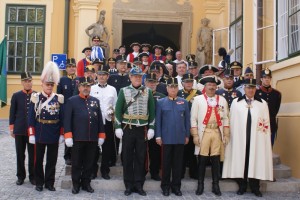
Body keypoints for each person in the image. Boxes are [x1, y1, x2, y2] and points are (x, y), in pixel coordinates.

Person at [222, 79, 273, 197]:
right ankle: (242, 185)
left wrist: (263, 137)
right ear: (244, 89)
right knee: (242, 160)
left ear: (255, 89)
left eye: (253, 88)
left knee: (255, 159)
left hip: (257, 138)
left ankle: (255, 187)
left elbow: (265, 122)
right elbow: (232, 120)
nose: (251, 90)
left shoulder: (262, 103)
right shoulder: (236, 102)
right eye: (248, 88)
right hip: (240, 137)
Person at [114, 66, 155, 196]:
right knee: (127, 157)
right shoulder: (123, 91)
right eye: (135, 76)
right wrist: (118, 127)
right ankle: (128, 185)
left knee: (140, 157)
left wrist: (151, 128)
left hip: (142, 129)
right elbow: (118, 111)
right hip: (128, 128)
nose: (137, 78)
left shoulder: (148, 91)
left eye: (139, 76)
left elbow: (152, 112)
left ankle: (139, 184)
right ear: (130, 77)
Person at [64, 76, 105, 194]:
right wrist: (68, 136)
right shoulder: (72, 101)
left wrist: (101, 135)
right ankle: (76, 184)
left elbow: (99, 120)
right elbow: (67, 120)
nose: (86, 88)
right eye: (84, 86)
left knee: (89, 163)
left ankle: (86, 183)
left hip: (92, 138)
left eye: (88, 86)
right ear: (79, 87)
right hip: (77, 138)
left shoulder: (95, 101)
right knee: (76, 163)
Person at [28, 61, 64, 192]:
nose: (49, 87)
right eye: (47, 84)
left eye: (51, 84)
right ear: (42, 84)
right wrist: (31, 134)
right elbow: (31, 117)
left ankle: (50, 183)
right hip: (40, 132)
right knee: (38, 160)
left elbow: (62, 118)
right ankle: (39, 182)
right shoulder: (36, 98)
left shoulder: (59, 98)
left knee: (52, 161)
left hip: (54, 132)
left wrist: (61, 134)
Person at [190, 75, 230, 196]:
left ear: (216, 86)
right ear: (205, 87)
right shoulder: (198, 99)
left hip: (217, 132)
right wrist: (195, 135)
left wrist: (226, 134)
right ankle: (200, 184)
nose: (212, 87)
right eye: (209, 85)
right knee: (202, 160)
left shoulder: (222, 100)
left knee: (216, 160)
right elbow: (193, 119)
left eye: (213, 85)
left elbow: (226, 117)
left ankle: (215, 185)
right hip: (204, 132)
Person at [156, 77, 190, 196]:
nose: (173, 89)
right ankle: (165, 186)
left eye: (175, 87)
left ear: (178, 88)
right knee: (166, 164)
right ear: (167, 88)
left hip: (180, 138)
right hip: (166, 138)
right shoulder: (160, 102)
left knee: (178, 164)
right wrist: (158, 136)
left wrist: (187, 135)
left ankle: (176, 186)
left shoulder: (184, 102)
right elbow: (158, 121)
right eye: (171, 86)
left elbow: (187, 120)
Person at [90, 65, 117, 180]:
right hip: (95, 121)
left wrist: (113, 112)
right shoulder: (91, 88)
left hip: (107, 121)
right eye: (100, 74)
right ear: (97, 76)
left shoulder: (112, 89)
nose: (101, 77)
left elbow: (115, 104)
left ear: (107, 76)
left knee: (107, 147)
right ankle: (92, 170)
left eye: (104, 75)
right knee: (93, 147)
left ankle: (105, 170)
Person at [9, 72, 35, 186]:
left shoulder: (36, 95)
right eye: (25, 81)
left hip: (32, 131)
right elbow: (12, 113)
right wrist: (12, 128)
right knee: (20, 154)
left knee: (32, 155)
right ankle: (20, 176)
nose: (28, 83)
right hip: (19, 129)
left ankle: (33, 176)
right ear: (22, 82)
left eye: (29, 81)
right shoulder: (16, 95)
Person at [177, 73, 201, 179]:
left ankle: (194, 172)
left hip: (194, 125)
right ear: (182, 83)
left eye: (191, 82)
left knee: (193, 150)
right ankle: (180, 172)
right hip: (182, 124)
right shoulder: (178, 93)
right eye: (186, 82)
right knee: (181, 150)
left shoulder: (198, 94)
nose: (189, 84)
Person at [144, 73, 165, 181]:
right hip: (143, 127)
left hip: (156, 128)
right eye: (149, 82)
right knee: (142, 151)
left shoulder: (162, 97)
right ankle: (142, 171)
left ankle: (154, 172)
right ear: (145, 83)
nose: (152, 84)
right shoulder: (140, 94)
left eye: (154, 82)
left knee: (155, 151)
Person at [57, 58, 78, 165]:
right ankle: (67, 156)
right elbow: (59, 97)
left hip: (77, 111)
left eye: (73, 66)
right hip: (66, 111)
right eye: (69, 67)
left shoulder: (79, 79)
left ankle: (75, 155)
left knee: (77, 133)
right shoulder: (62, 80)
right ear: (66, 68)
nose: (71, 68)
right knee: (68, 133)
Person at [256, 68, 281, 147]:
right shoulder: (256, 93)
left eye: (268, 78)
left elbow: (276, 110)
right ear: (261, 79)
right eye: (265, 78)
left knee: (270, 146)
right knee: (260, 147)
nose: (267, 80)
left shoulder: (277, 94)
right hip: (259, 125)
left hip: (271, 124)